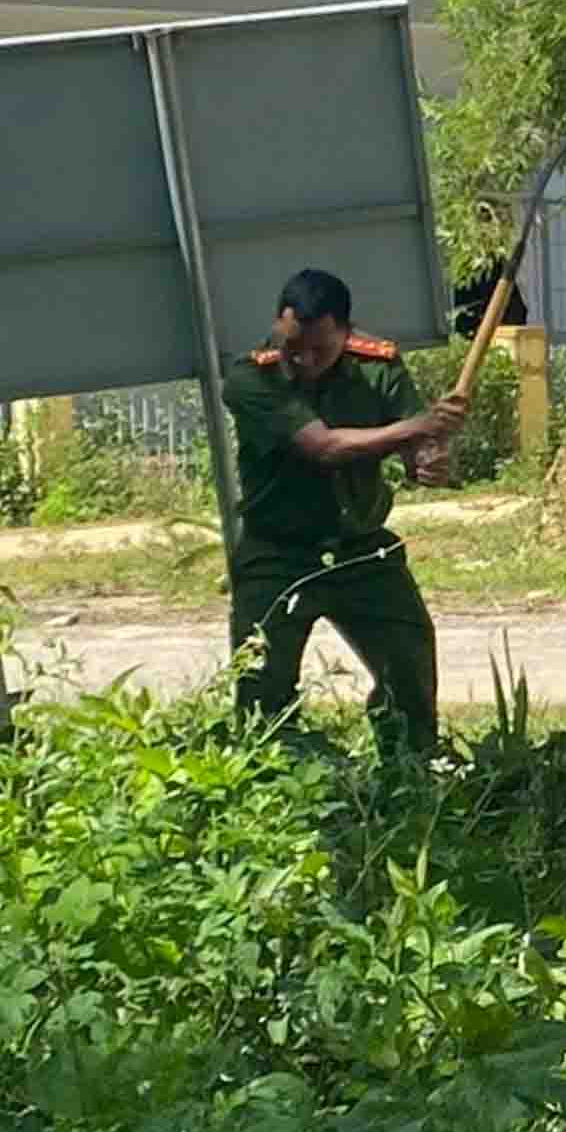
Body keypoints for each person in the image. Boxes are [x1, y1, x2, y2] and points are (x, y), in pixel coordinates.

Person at [221, 263, 466, 763]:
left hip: (360, 550)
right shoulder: (251, 377)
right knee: (261, 690)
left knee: (410, 667)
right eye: (293, 346)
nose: (304, 359)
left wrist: (429, 459)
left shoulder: (378, 366)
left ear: (346, 333)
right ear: (277, 325)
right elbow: (325, 446)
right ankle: (271, 788)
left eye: (320, 349)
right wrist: (415, 429)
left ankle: (410, 774)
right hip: (277, 555)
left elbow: (415, 450)